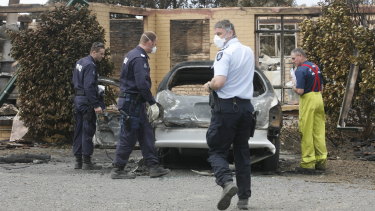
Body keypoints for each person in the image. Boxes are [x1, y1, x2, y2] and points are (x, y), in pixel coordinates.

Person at [203, 20, 256, 210]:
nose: (216, 37)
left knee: (217, 150)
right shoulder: (248, 51)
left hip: (226, 108)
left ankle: (226, 183)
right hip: (245, 108)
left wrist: (209, 85)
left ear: (230, 32)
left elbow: (220, 82)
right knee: (242, 152)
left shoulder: (224, 54)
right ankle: (243, 199)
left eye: (219, 33)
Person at [111, 31, 170, 179]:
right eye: (155, 43)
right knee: (129, 135)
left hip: (135, 102)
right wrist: (152, 102)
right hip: (132, 103)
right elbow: (142, 84)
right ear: (149, 42)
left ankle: (153, 166)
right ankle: (118, 169)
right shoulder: (139, 58)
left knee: (146, 134)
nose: (155, 46)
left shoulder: (131, 54)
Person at [291, 48, 328, 174]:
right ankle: (321, 160)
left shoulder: (300, 70)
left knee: (306, 130)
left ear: (300, 56)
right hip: (318, 98)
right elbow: (322, 87)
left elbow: (300, 91)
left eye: (293, 58)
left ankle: (308, 163)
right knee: (318, 130)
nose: (293, 61)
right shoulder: (315, 66)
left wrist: (293, 87)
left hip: (308, 100)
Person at [72, 42, 105, 170]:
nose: (102, 56)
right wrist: (96, 104)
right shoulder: (91, 65)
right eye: (101, 54)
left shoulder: (80, 62)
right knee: (87, 130)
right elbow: (89, 86)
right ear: (94, 52)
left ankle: (78, 161)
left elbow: (75, 80)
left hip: (78, 99)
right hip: (86, 101)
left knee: (78, 130)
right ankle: (87, 161)